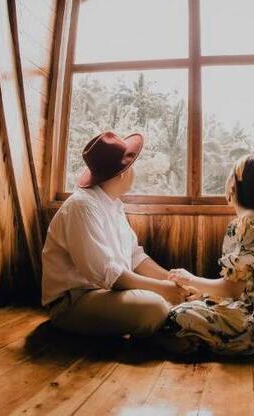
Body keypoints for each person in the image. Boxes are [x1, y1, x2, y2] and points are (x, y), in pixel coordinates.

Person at [41, 131, 189, 336]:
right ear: (123, 172)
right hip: (73, 302)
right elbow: (109, 274)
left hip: (106, 293)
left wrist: (174, 281)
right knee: (155, 307)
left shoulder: (112, 205)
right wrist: (163, 289)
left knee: (167, 299)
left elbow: (135, 257)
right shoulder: (82, 206)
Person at [163, 154, 254, 355]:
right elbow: (249, 282)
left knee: (173, 315)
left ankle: (199, 342)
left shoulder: (245, 225)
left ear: (233, 186)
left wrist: (190, 278)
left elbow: (233, 289)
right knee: (198, 297)